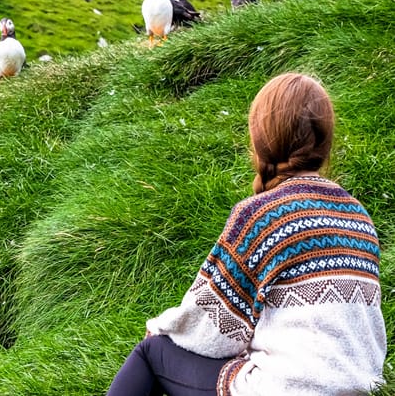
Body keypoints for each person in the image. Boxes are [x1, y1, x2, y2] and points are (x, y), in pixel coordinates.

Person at [107, 73, 385, 395]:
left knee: (153, 353)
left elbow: (210, 326)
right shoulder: (359, 217)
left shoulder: (262, 214)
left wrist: (159, 328)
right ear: (325, 142)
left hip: (287, 389)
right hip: (356, 387)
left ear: (261, 140)